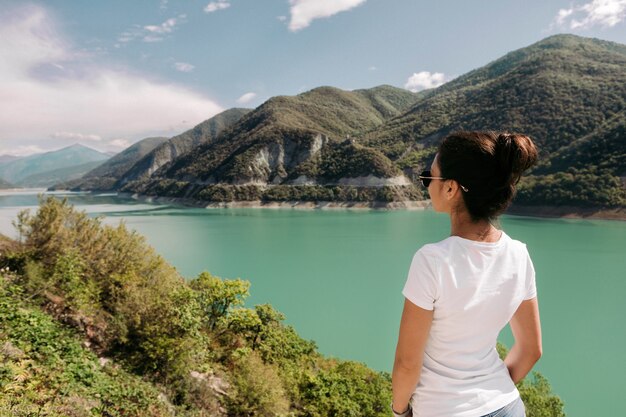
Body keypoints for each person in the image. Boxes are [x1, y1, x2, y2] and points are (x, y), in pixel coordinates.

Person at [391, 131, 542, 417]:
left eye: (429, 178)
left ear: (450, 189)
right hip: (507, 407)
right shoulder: (518, 254)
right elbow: (531, 349)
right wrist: (489, 393)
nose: (426, 185)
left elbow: (407, 363)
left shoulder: (432, 260)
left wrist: (399, 412)